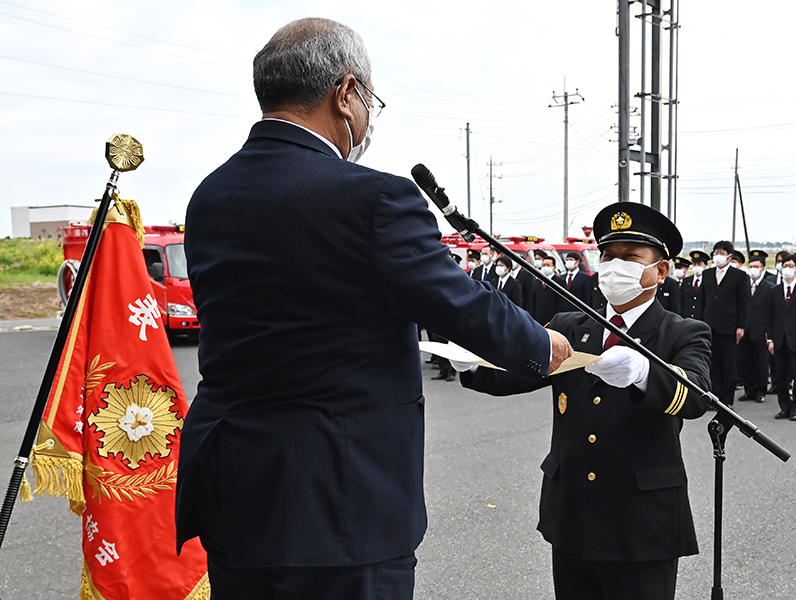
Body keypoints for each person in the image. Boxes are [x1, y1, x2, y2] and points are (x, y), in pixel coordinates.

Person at [174, 18, 573, 599]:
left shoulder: (211, 194)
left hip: (235, 488)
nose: (367, 119)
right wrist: (542, 345)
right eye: (370, 102)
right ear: (346, 93)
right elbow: (458, 302)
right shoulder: (371, 196)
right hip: (338, 503)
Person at [456, 202, 711, 600]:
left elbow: (695, 397)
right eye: (608, 256)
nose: (614, 266)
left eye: (630, 258)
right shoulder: (570, 326)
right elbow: (521, 374)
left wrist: (645, 373)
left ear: (660, 271)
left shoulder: (683, 332)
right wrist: (470, 363)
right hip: (573, 511)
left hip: (640, 523)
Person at [701, 240, 750, 406]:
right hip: (710, 325)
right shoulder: (707, 274)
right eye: (716, 253)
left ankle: (727, 400)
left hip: (729, 326)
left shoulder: (739, 276)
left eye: (722, 253)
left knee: (728, 364)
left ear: (730, 256)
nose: (718, 256)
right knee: (713, 363)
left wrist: (741, 326)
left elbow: (744, 303)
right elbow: (702, 300)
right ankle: (714, 397)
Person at [767, 254, 796, 421]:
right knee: (781, 376)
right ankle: (784, 406)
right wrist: (770, 339)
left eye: (791, 266)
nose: (787, 268)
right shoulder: (774, 291)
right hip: (779, 340)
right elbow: (770, 317)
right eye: (785, 265)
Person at [737, 250, 774, 403]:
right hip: (745, 329)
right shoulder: (743, 285)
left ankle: (760, 390)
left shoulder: (769, 288)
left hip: (761, 330)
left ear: (763, 269)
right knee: (745, 361)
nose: (753, 269)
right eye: (751, 266)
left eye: (756, 266)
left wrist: (769, 332)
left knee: (761, 363)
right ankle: (749, 390)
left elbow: (772, 313)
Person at [530, 255, 566, 325]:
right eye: (544, 265)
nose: (545, 267)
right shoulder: (537, 282)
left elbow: (562, 303)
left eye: (548, 265)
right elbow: (533, 301)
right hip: (538, 320)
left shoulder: (559, 282)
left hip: (552, 319)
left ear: (554, 267)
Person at [680, 250, 708, 320]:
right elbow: (681, 300)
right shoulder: (686, 281)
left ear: (705, 265)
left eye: (699, 264)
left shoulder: (708, 281)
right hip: (687, 319)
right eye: (694, 264)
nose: (696, 266)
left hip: (702, 319)